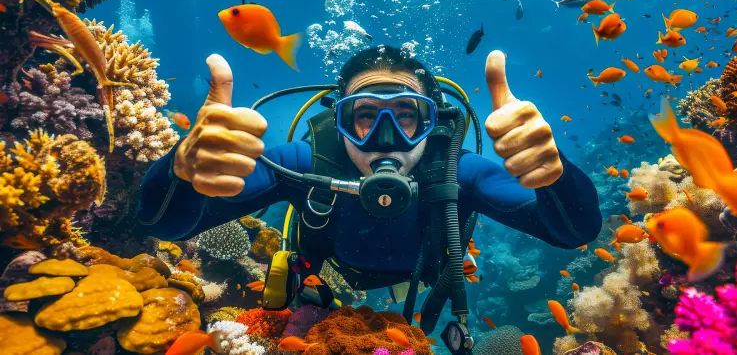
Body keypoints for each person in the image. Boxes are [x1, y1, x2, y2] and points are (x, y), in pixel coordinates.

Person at [137, 46, 601, 346]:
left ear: (432, 122)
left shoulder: (458, 172)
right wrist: (181, 168)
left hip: (423, 277)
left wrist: (553, 174)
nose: (386, 137)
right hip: (323, 278)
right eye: (364, 116)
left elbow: (574, 231)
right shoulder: (305, 162)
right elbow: (165, 225)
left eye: (407, 115)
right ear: (338, 123)